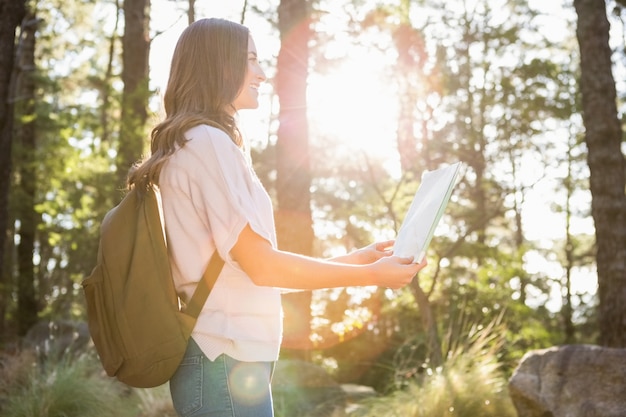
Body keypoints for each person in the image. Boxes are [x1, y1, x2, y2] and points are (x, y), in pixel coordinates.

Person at [128, 17, 427, 417]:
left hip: (224, 358)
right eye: (250, 60)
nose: (263, 74)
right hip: (222, 358)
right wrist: (370, 276)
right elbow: (262, 267)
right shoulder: (209, 144)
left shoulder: (195, 143)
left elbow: (243, 275)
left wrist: (352, 261)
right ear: (220, 64)